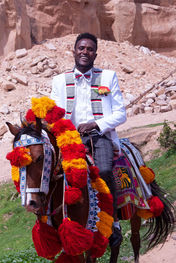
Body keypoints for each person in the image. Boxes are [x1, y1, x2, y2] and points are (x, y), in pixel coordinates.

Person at [50, 32, 127, 246]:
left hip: (98, 136)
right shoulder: (59, 80)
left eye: (90, 49)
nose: (85, 52)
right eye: (81, 48)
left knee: (102, 171)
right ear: (74, 51)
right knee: (51, 175)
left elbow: (121, 114)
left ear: (95, 54)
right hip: (70, 139)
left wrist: (96, 124)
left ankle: (113, 221)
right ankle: (51, 221)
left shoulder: (108, 77)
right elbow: (54, 114)